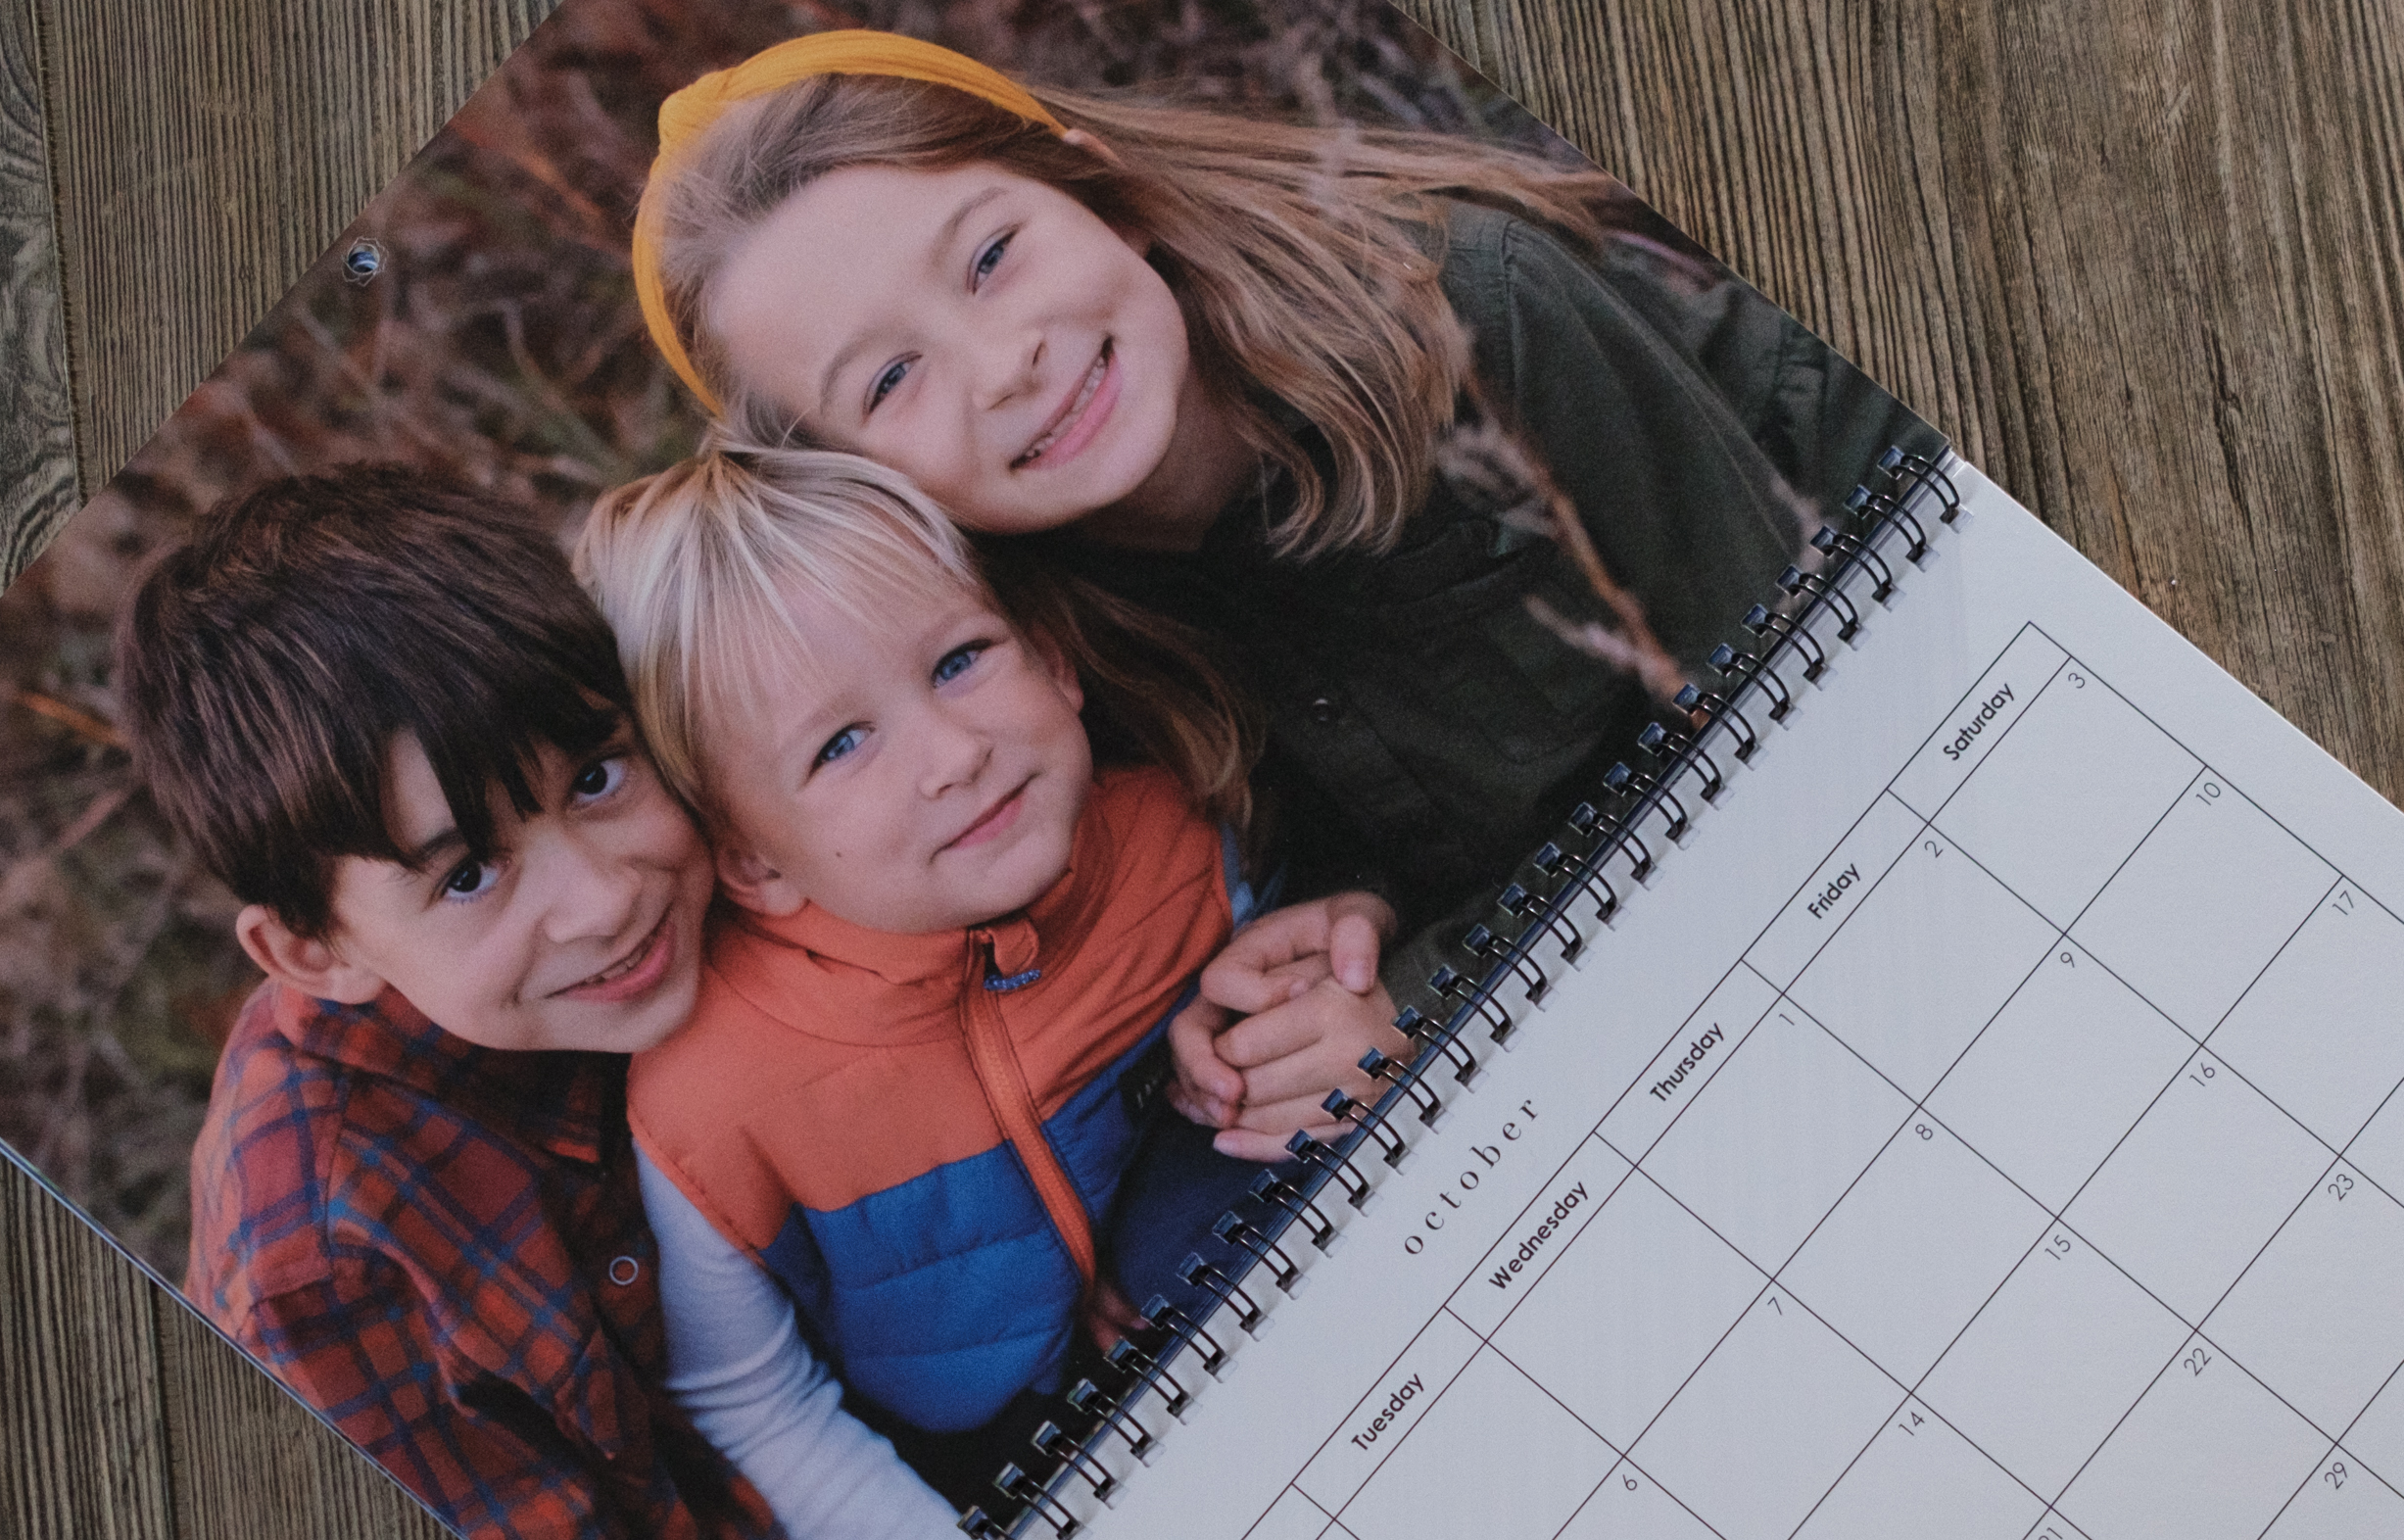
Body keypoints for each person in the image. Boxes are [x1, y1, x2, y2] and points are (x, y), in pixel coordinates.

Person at [625, 29, 1947, 1142]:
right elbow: (1416, 793)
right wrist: (1342, 935)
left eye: (990, 258)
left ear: (1101, 192)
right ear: (854, 481)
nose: (1000, 364)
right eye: (891, 381)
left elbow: (1803, 728)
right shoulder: (1019, 634)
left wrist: (1433, 994)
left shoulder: (1464, 321)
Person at [120, 461, 954, 1540]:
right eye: (467, 874)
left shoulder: (733, 831)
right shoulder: (330, 1272)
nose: (599, 899)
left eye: (600, 775)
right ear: (314, 950)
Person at [577, 442, 1342, 1512]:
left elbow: (1305, 990)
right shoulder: (712, 1092)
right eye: (840, 745)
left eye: (957, 662)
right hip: (975, 1461)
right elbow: (754, 1405)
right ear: (748, 856)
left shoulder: (1176, 831)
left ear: (1052, 660)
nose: (951, 754)